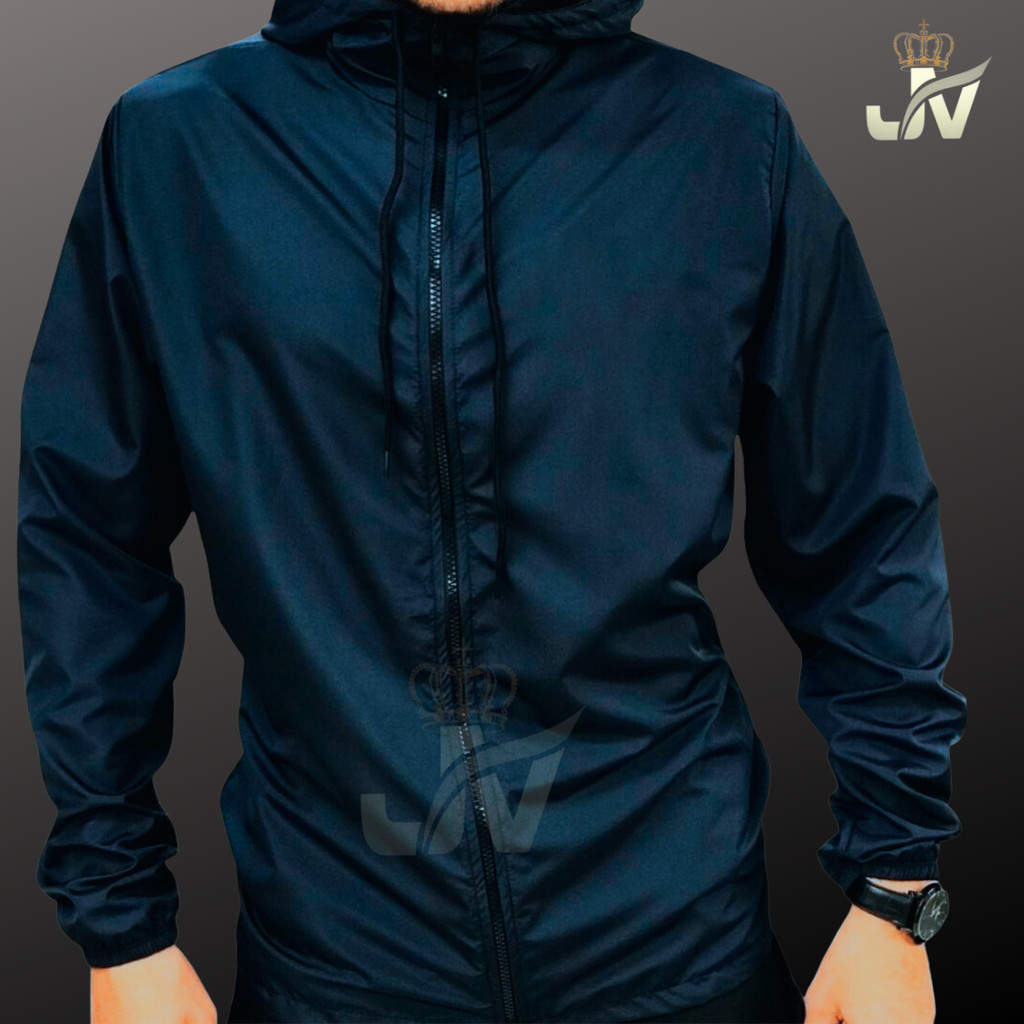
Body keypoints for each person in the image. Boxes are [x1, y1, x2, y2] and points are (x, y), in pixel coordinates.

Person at [17, 0, 967, 1021]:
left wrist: (894, 887)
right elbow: (87, 539)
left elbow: (863, 525)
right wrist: (121, 925)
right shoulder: (179, 147)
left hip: (676, 945)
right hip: (338, 960)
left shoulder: (726, 139)